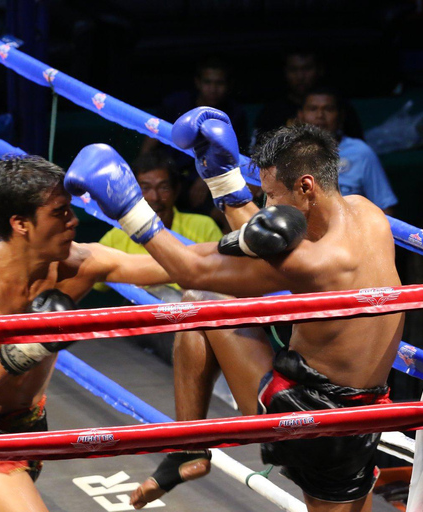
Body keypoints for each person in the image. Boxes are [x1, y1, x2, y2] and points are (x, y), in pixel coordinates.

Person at [64, 110, 403, 512]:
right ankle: (188, 448)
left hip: (315, 419)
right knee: (205, 308)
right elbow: (270, 237)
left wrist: (129, 209)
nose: (267, 205)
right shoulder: (367, 213)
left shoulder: (316, 263)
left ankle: (190, 449)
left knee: (200, 299)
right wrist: (222, 179)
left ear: (306, 186)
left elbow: (193, 269)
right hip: (370, 407)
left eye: (271, 194)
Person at [0, 155, 173, 512]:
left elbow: (177, 265)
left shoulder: (77, 264)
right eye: (59, 212)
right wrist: (30, 348)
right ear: (20, 224)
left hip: (31, 424)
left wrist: (240, 235)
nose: (73, 221)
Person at [140, 56, 248, 225]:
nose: (213, 89)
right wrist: (140, 175)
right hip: (169, 173)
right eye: (208, 82)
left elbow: (235, 156)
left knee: (225, 212)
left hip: (208, 177)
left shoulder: (235, 113)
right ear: (198, 82)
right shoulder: (175, 104)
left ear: (228, 85)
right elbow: (151, 139)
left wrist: (205, 180)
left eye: (219, 83)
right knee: (153, 198)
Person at [97, 151, 222, 294]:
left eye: (163, 187)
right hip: (142, 315)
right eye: (145, 188)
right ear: (131, 192)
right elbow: (89, 276)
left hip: (195, 313)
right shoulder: (116, 237)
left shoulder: (203, 226)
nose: (154, 197)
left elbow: (226, 277)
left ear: (176, 190)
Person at [297, 86, 397, 214]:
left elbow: (384, 207)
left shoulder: (361, 152)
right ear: (300, 115)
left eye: (328, 109)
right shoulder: (288, 153)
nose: (320, 115)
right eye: (313, 109)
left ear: (341, 115)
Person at [252, 51, 364, 145]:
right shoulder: (272, 111)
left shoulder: (338, 105)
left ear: (320, 70)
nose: (300, 76)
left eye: (307, 68)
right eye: (293, 69)